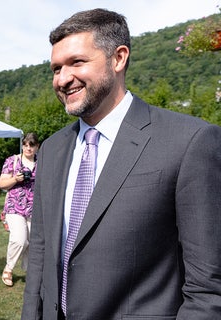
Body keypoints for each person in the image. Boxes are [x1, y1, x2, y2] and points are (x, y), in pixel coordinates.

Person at [21, 9, 221, 320]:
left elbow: (208, 288)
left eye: (76, 62)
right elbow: (41, 255)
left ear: (118, 58)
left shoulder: (189, 142)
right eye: (56, 68)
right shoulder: (52, 149)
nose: (62, 79)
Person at [0, 133, 39, 287]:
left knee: (32, 242)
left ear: (37, 146)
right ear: (22, 145)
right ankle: (8, 269)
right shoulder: (12, 161)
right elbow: (2, 184)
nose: (28, 148)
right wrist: (15, 179)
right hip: (15, 206)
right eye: (26, 144)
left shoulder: (41, 162)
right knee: (19, 239)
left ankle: (31, 272)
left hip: (35, 207)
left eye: (32, 145)